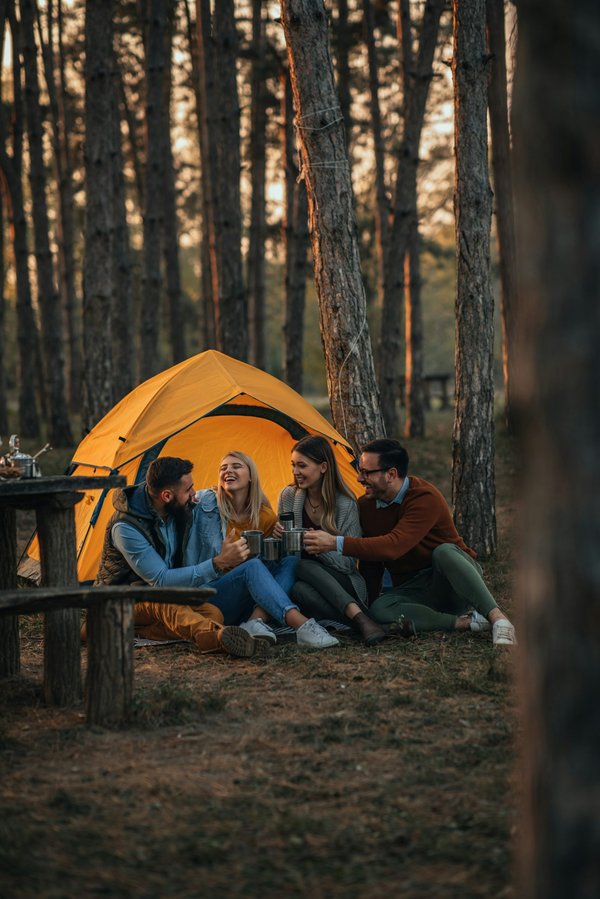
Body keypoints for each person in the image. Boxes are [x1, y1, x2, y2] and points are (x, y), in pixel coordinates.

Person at [303, 438, 517, 645]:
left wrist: (336, 543)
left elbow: (394, 546)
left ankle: (498, 618)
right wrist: (368, 605)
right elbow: (372, 561)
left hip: (453, 582)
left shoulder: (424, 498)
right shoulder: (366, 506)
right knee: (379, 609)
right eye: (360, 471)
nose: (359, 478)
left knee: (444, 552)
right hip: (414, 590)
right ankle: (466, 623)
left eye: (366, 472)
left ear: (391, 474)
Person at [93, 456, 267, 658]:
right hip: (121, 601)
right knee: (167, 605)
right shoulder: (126, 527)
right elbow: (161, 581)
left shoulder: (174, 508)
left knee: (213, 613)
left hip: (159, 597)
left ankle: (123, 631)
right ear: (166, 496)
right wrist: (218, 563)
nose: (194, 494)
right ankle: (218, 637)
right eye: (189, 490)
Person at [187, 450, 340, 649]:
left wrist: (279, 539)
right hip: (212, 597)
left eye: (236, 466)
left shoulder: (265, 516)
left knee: (291, 561)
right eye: (223, 468)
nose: (228, 471)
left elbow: (274, 565)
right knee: (253, 566)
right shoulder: (206, 504)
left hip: (245, 601)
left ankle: (255, 621)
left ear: (251, 476)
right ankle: (302, 625)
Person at [275, 435, 387, 646]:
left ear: (323, 467)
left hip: (344, 584)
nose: (295, 472)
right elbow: (287, 557)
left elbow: (348, 564)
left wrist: (321, 547)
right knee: (298, 588)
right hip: (308, 585)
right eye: (293, 465)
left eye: (302, 466)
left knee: (304, 565)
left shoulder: (346, 505)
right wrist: (279, 536)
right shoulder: (288, 497)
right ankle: (361, 621)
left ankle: (360, 616)